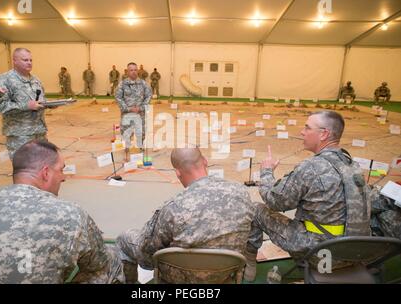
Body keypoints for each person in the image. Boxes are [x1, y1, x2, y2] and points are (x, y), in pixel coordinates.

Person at [0, 140, 124, 284]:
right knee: (111, 261)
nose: (63, 177)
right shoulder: (69, 214)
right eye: (61, 169)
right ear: (46, 173)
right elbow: (98, 261)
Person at [116, 147, 262, 283]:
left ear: (177, 173)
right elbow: (252, 230)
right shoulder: (242, 193)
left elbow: (147, 256)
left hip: (180, 279)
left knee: (124, 239)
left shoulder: (173, 208)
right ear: (205, 161)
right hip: (225, 274)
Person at [250, 111, 371, 264]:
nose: (302, 132)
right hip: (354, 250)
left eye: (307, 128)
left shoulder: (312, 167)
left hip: (320, 252)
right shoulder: (351, 164)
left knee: (255, 209)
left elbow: (274, 201)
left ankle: (249, 263)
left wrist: (266, 171)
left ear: (323, 134)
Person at [0, 48, 49, 159]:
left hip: (39, 132)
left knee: (40, 165)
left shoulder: (35, 80)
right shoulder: (4, 80)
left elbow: (41, 99)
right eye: (25, 60)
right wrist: (26, 106)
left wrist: (48, 104)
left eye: (31, 60)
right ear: (15, 61)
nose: (29, 62)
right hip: (20, 135)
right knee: (23, 167)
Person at [115, 62, 152, 162]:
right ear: (127, 71)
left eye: (135, 70)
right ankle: (126, 150)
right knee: (126, 133)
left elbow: (148, 96)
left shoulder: (144, 83)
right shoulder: (122, 84)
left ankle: (141, 149)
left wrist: (141, 108)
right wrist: (128, 108)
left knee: (142, 132)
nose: (133, 72)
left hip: (140, 114)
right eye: (131, 70)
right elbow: (118, 98)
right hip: (127, 114)